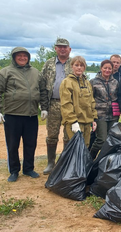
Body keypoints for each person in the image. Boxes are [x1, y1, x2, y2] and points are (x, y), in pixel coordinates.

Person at [0, 47, 48, 182]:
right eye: (19, 56)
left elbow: (43, 91)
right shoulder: (5, 72)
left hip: (31, 115)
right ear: (14, 57)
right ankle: (14, 171)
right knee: (12, 145)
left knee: (30, 144)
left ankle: (28, 168)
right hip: (12, 115)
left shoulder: (36, 73)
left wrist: (44, 107)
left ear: (28, 57)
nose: (22, 58)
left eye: (25, 55)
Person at [41, 38, 72, 175]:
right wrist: (44, 107)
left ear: (69, 49)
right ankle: (50, 162)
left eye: (65, 47)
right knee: (52, 134)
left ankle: (64, 163)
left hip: (69, 104)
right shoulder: (49, 64)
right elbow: (42, 84)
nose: (62, 49)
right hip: (53, 102)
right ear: (55, 49)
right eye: (59, 47)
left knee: (68, 135)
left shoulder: (75, 63)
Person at [60, 56, 98, 147]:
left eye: (81, 65)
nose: (79, 67)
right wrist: (73, 121)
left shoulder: (87, 83)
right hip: (75, 122)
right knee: (75, 149)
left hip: (87, 121)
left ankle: (84, 162)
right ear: (72, 66)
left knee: (85, 147)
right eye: (76, 65)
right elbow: (66, 104)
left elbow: (91, 101)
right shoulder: (67, 82)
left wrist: (93, 118)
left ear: (84, 67)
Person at [89, 60, 119, 159]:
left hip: (113, 115)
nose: (107, 70)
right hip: (99, 114)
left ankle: (105, 160)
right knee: (101, 139)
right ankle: (90, 158)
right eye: (105, 68)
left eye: (109, 68)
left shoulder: (115, 82)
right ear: (101, 68)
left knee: (111, 139)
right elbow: (90, 99)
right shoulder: (93, 82)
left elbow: (118, 97)